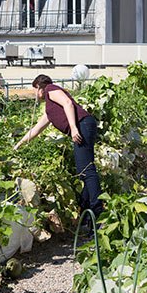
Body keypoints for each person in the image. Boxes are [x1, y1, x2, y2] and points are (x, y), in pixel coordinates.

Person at [14, 74, 103, 228]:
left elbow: (68, 103)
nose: (35, 94)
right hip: (83, 127)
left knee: (87, 171)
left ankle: (98, 215)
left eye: (35, 89)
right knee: (83, 172)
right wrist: (19, 144)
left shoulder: (50, 89)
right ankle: (88, 218)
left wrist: (74, 128)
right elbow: (36, 129)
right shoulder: (50, 110)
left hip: (82, 126)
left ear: (39, 87)